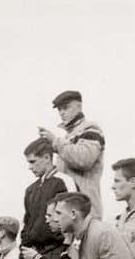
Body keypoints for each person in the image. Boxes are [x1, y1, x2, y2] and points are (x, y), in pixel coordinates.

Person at [39, 90, 105, 219]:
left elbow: (85, 159)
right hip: (71, 212)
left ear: (79, 106)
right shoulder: (67, 137)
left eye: (65, 108)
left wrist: (55, 142)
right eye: (59, 110)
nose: (62, 113)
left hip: (86, 212)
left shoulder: (90, 128)